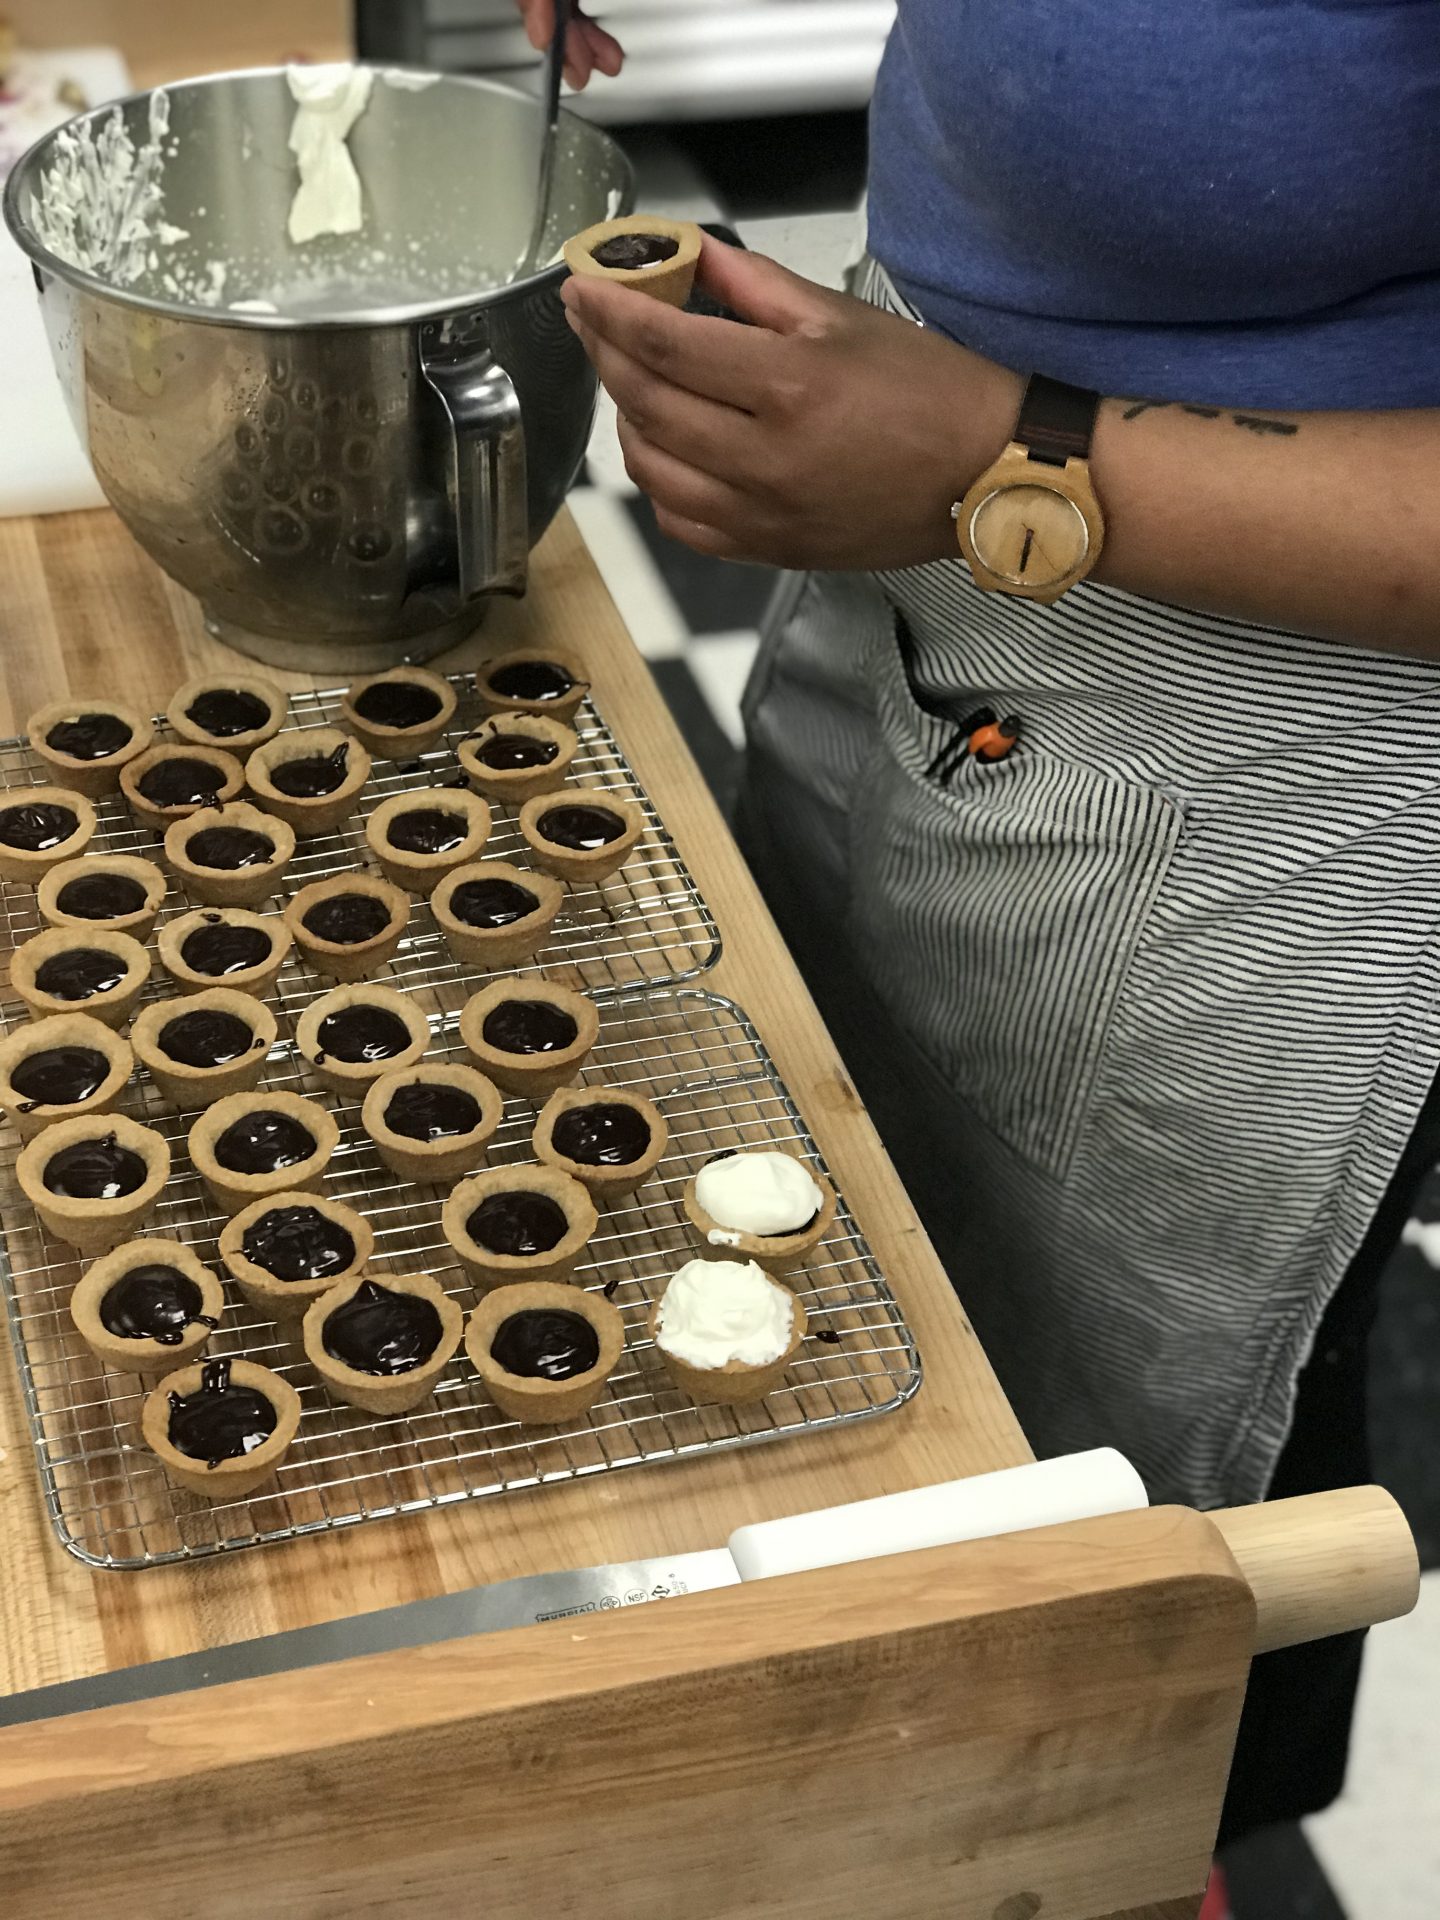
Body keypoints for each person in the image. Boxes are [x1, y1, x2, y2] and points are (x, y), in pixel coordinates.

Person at [517, 0, 1440, 1854]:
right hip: (940, 510)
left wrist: (1018, 468)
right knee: (854, 1204)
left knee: (1091, 1501)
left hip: (1270, 691)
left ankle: (1117, 1837)